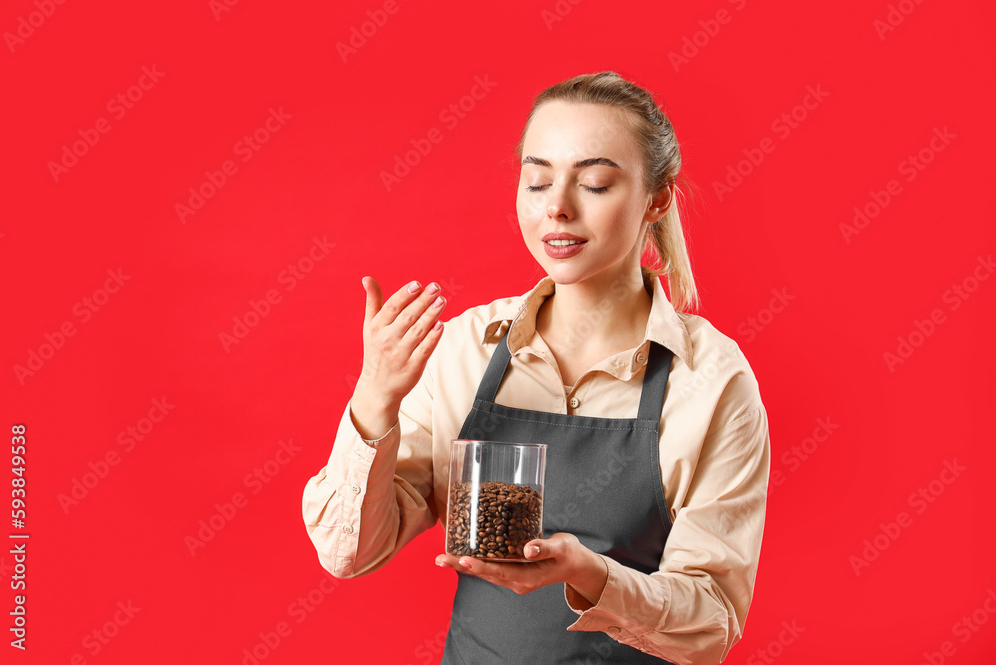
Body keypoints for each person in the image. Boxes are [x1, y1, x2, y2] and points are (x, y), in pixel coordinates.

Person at [302, 71, 770, 665]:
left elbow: (713, 623)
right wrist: (374, 400)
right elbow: (348, 554)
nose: (558, 207)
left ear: (657, 198)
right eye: (537, 179)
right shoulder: (470, 346)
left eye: (595, 183)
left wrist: (593, 576)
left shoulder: (710, 380)